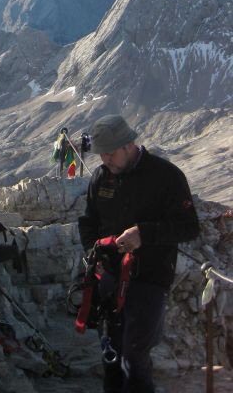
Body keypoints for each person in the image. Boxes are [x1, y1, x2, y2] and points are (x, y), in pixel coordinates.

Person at [78, 114, 200, 393]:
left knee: (134, 353)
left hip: (149, 278)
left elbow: (189, 227)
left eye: (109, 153)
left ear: (128, 144)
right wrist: (92, 251)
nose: (104, 159)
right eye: (101, 154)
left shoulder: (166, 177)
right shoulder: (101, 177)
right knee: (110, 350)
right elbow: (88, 221)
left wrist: (143, 234)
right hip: (109, 275)